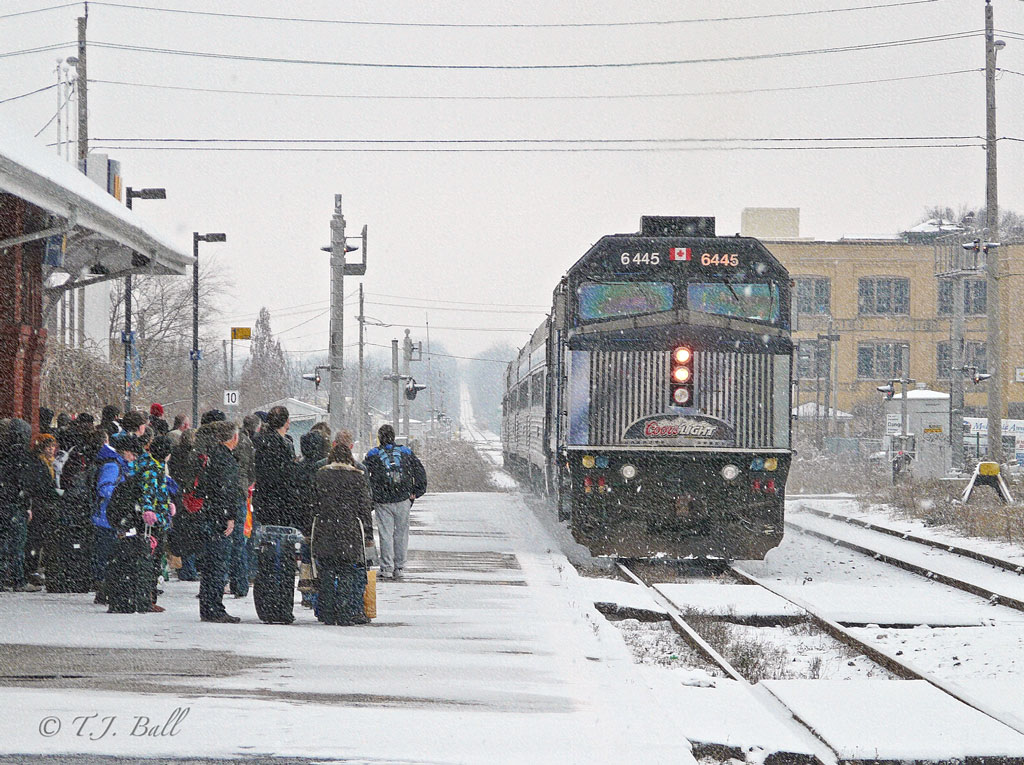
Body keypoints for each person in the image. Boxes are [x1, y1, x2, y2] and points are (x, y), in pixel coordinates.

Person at [311, 442, 374, 625]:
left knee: (327, 572)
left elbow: (312, 504)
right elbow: (364, 508)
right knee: (347, 571)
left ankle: (328, 613)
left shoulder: (321, 475)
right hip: (350, 530)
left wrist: (309, 530)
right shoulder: (357, 477)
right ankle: (346, 613)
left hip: (325, 529)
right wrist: (368, 535)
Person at [364, 425, 427, 581]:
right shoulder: (406, 452)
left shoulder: (373, 454)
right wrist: (416, 492)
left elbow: (363, 474)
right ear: (393, 437)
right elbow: (420, 471)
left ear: (379, 437)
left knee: (385, 534)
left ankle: (386, 567)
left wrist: (370, 496)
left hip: (383, 500)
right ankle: (399, 567)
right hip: (403, 498)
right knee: (401, 534)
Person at [195, 420, 243, 623]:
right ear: (233, 437)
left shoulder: (212, 456)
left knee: (210, 565)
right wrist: (229, 516)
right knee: (217, 564)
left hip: (209, 513)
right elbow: (227, 490)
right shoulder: (227, 461)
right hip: (218, 516)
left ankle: (208, 605)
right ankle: (214, 606)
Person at [92, 433, 141, 604]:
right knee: (106, 555)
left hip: (110, 517)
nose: (134, 458)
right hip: (106, 518)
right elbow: (104, 489)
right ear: (125, 452)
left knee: (109, 555)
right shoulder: (113, 467)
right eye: (133, 454)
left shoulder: (120, 466)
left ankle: (105, 588)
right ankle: (103, 589)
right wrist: (122, 495)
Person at [134, 435, 175, 612]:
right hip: (153, 520)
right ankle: (147, 598)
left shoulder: (146, 464)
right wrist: (150, 510)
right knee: (152, 558)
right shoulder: (153, 468)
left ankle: (147, 596)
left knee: (149, 557)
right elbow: (149, 491)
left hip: (155, 515)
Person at [0, 419, 39, 592]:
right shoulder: (22, 456)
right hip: (15, 504)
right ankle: (18, 579)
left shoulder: (4, 453)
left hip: (5, 502)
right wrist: (26, 504)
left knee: (3, 543)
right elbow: (24, 482)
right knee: (17, 544)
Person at [22, 433, 62, 583]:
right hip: (40, 505)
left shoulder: (52, 463)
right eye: (48, 446)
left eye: (53, 447)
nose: (51, 450)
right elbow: (39, 485)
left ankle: (37, 568)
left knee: (43, 538)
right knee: (36, 538)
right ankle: (32, 569)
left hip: (46, 505)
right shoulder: (38, 464)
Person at [295, 431, 328, 606]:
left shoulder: (299, 467)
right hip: (319, 517)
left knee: (306, 556)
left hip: (303, 517)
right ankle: (318, 593)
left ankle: (306, 592)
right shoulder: (322, 468)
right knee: (320, 557)